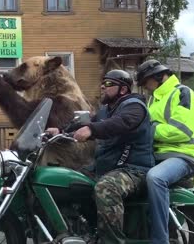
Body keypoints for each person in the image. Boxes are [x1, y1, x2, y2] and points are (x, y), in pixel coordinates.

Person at [47, 70, 155, 244]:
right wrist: (60, 131)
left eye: (109, 84)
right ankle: (84, 230)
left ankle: (111, 241)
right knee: (68, 181)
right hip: (107, 167)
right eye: (103, 83)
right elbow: (86, 125)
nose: (103, 86)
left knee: (107, 188)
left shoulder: (134, 106)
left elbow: (122, 122)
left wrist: (92, 130)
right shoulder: (105, 110)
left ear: (123, 89)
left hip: (133, 170)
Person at [136, 59, 194, 244]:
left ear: (159, 76)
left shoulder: (183, 93)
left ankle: (160, 240)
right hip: (157, 156)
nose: (144, 86)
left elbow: (182, 130)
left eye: (145, 82)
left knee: (155, 178)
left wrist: (149, 130)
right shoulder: (154, 99)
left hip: (183, 156)